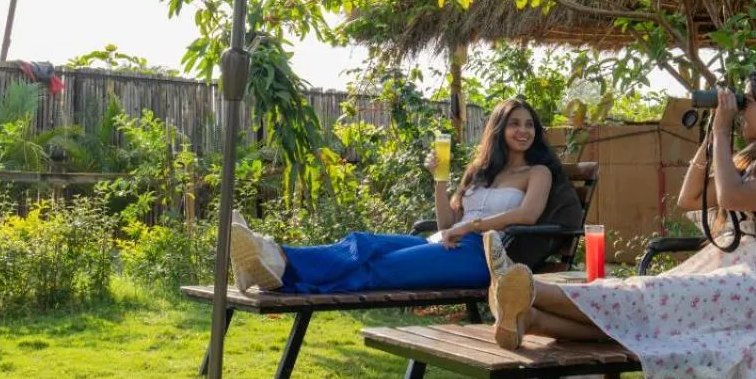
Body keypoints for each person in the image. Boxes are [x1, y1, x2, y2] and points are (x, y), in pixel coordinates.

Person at [484, 69, 756, 379]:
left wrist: (722, 133)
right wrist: (710, 136)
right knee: (648, 311)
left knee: (654, 296)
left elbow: (734, 198)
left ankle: (527, 288)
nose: (738, 112)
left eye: (746, 103)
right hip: (737, 268)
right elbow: (689, 197)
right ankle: (531, 318)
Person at [228, 98, 570, 294]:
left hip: (484, 256)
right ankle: (272, 258)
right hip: (443, 241)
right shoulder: (479, 170)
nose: (523, 131)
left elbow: (527, 215)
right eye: (515, 124)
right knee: (362, 243)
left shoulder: (537, 173)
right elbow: (445, 223)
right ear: (499, 130)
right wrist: (439, 181)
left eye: (529, 125)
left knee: (381, 269)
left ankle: (279, 275)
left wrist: (470, 227)